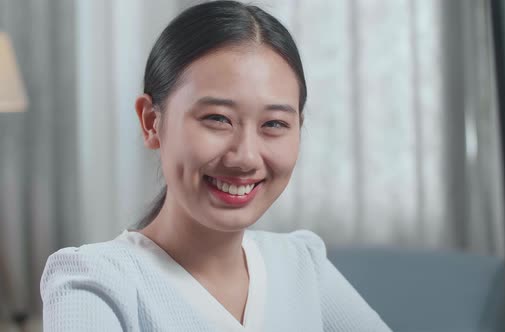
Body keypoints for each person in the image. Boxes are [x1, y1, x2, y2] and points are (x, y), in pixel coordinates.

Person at [40, 1, 392, 331]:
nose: (245, 157)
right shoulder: (95, 281)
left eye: (273, 124)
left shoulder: (301, 264)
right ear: (151, 122)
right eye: (217, 119)